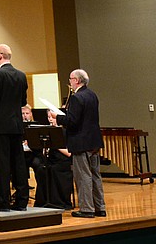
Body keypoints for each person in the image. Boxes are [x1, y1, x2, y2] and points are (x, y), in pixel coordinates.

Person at [50, 68, 105, 218]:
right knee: (95, 175)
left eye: (70, 79)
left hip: (81, 142)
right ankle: (100, 207)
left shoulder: (76, 97)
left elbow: (72, 122)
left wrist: (57, 117)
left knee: (83, 176)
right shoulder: (92, 94)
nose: (70, 83)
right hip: (94, 141)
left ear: (77, 80)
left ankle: (87, 209)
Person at [0, 43, 29, 211]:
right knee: (18, 163)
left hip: (2, 126)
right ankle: (21, 201)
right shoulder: (21, 75)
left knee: (2, 164)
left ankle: (2, 202)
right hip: (17, 125)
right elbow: (23, 102)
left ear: (0, 55)